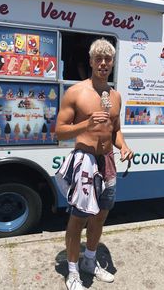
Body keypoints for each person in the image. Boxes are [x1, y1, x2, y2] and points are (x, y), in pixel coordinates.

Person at [55, 38, 133, 290]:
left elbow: (115, 131)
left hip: (108, 162)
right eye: (98, 58)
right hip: (85, 163)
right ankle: (73, 271)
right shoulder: (76, 92)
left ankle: (90, 261)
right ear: (90, 62)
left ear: (112, 63)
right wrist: (85, 125)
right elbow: (60, 132)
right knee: (77, 220)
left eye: (107, 59)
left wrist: (124, 146)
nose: (103, 63)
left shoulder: (115, 96)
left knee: (100, 217)